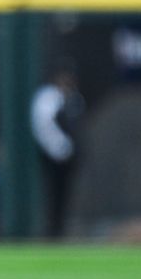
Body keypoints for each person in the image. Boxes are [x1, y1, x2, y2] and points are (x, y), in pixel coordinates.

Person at [30, 66, 85, 238]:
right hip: (52, 156)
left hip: (69, 156)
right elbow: (44, 127)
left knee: (65, 192)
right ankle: (51, 229)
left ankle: (61, 227)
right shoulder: (48, 97)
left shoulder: (74, 98)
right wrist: (61, 147)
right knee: (52, 191)